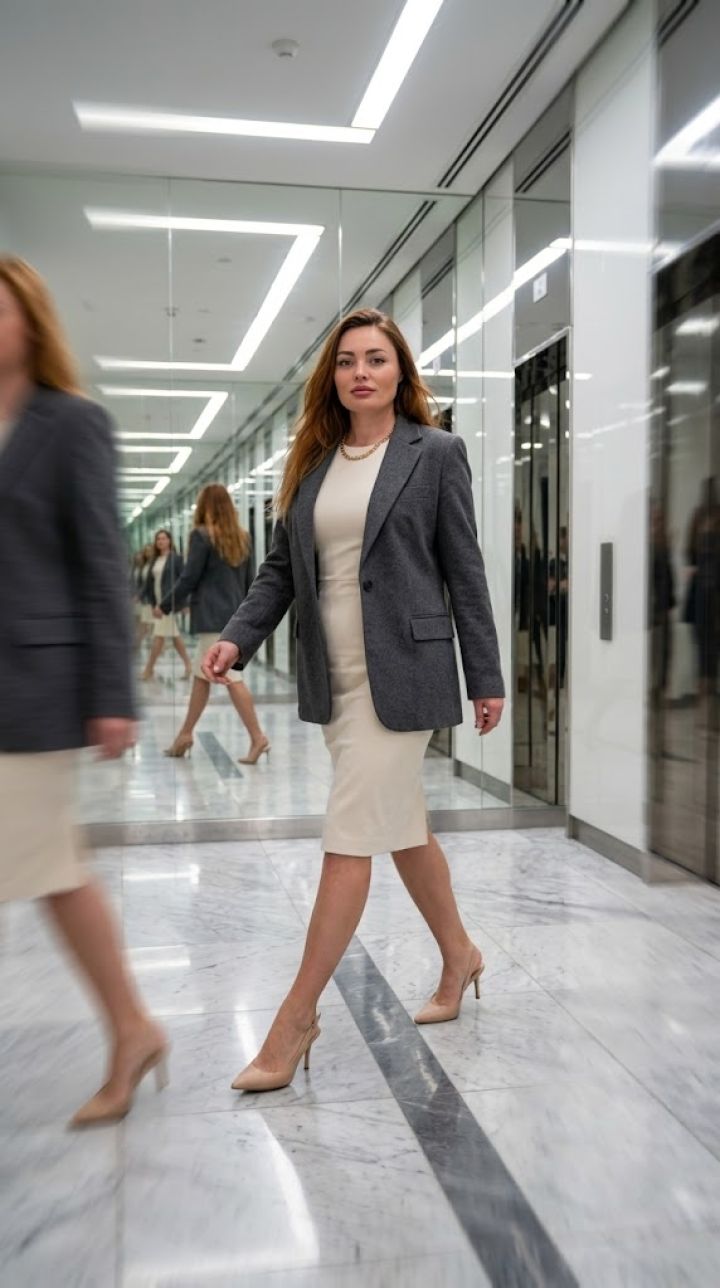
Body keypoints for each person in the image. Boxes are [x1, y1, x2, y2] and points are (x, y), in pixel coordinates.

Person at [204, 307, 504, 1093]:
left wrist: (488, 675)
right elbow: (278, 573)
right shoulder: (310, 464)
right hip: (332, 675)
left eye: (375, 358)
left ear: (400, 371)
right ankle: (460, 954)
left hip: (404, 671)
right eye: (346, 362)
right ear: (331, 378)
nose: (360, 372)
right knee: (401, 829)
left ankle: (294, 1018)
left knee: (349, 836)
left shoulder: (435, 453)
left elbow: (464, 571)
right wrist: (238, 636)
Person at [0, 256, 167, 1126]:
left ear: (31, 321)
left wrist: (114, 692)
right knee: (56, 871)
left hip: (28, 689)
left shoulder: (71, 424)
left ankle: (134, 1025)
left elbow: (104, 565)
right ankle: (134, 1028)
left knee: (55, 871)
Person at [160, 483, 270, 763]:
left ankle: (258, 737)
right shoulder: (242, 537)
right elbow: (250, 582)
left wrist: (165, 604)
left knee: (231, 677)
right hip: (234, 616)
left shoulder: (201, 536)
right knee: (202, 676)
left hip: (211, 619)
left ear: (204, 507)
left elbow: (189, 577)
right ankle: (185, 734)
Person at [142, 528, 192, 681]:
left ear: (170, 541)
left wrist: (185, 602)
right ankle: (189, 666)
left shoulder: (175, 559)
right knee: (175, 637)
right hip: (158, 603)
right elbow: (150, 583)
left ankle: (148, 669)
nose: (161, 541)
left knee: (159, 636)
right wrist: (151, 602)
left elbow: (183, 581)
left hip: (167, 604)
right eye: (158, 539)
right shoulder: (154, 560)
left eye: (164, 538)